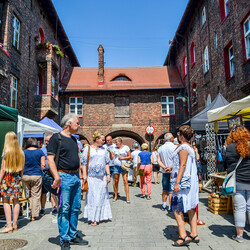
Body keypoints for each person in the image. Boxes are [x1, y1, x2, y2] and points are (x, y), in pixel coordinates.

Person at [47, 114, 88, 249]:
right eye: (77, 122)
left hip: (75, 177)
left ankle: (73, 234)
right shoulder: (56, 138)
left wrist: (81, 176)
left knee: (76, 207)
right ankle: (64, 239)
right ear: (69, 124)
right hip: (63, 177)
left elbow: (78, 158)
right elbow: (50, 159)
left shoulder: (74, 139)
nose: (79, 125)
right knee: (64, 209)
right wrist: (56, 176)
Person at [171, 125, 199, 247]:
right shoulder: (191, 148)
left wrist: (177, 182)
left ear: (182, 136)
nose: (178, 136)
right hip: (191, 180)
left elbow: (182, 165)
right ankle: (194, 233)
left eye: (178, 135)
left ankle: (183, 235)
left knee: (177, 206)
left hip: (183, 181)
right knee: (191, 206)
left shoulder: (183, 147)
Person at [225, 125, 250, 243]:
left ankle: (239, 235)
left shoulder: (229, 147)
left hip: (238, 181)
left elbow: (227, 164)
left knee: (240, 208)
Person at [82, 132, 112, 226]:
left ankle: (101, 216)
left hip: (102, 176)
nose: (104, 142)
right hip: (91, 177)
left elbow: (106, 162)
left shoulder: (105, 149)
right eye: (102, 140)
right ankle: (93, 218)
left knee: (101, 196)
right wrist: (84, 175)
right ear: (96, 139)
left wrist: (108, 174)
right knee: (92, 196)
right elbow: (83, 163)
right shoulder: (88, 148)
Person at [0, 132, 25, 233]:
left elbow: (3, 169)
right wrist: (21, 180)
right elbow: (22, 169)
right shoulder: (21, 152)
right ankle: (15, 224)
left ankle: (8, 225)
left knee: (5, 201)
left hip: (7, 178)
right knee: (16, 201)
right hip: (17, 178)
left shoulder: (6, 152)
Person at [22, 137, 46, 221]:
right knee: (36, 195)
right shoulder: (40, 152)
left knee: (31, 193)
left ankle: (31, 209)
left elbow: (21, 165)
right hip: (36, 175)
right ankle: (34, 215)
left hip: (25, 176)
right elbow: (43, 165)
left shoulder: (23, 152)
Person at [40, 134, 58, 217]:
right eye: (46, 140)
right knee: (43, 192)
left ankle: (54, 207)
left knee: (53, 192)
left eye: (48, 140)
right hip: (45, 173)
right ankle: (43, 208)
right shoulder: (42, 150)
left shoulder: (56, 149)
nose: (47, 142)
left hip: (54, 172)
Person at [158, 133, 176, 211]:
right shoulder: (175, 147)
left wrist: (164, 167)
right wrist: (170, 167)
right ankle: (170, 206)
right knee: (171, 190)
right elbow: (176, 160)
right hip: (173, 171)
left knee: (165, 189)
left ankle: (164, 205)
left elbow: (159, 160)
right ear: (171, 138)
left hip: (165, 171)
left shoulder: (161, 148)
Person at [112, 137, 131, 203]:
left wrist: (123, 158)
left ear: (120, 142)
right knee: (116, 181)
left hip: (123, 166)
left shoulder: (126, 147)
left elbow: (130, 156)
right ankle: (115, 195)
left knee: (125, 181)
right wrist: (110, 153)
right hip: (116, 166)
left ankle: (127, 197)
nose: (116, 144)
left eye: (116, 142)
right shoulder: (114, 148)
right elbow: (112, 158)